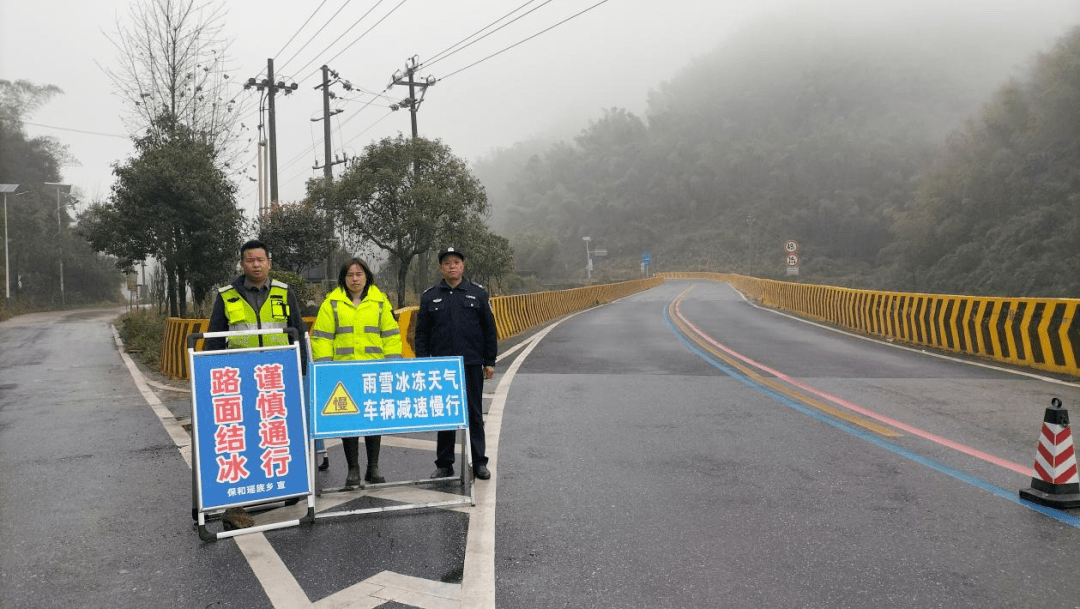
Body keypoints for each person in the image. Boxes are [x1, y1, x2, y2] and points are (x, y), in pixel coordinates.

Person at [205, 239, 308, 529]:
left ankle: (284, 486)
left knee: (278, 432)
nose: (256, 264)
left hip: (277, 378)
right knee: (241, 437)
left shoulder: (283, 293)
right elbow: (214, 339)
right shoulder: (226, 296)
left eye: (261, 259)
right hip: (239, 380)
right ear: (242, 264)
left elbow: (296, 332)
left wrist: (299, 372)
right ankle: (235, 505)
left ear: (269, 262)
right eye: (250, 260)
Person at [310, 257, 402, 488]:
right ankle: (353, 469)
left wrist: (391, 368)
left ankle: (373, 467)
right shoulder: (331, 303)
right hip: (344, 372)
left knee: (373, 419)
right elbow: (321, 338)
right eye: (350, 275)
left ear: (367, 277)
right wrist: (326, 370)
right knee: (348, 421)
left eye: (359, 274)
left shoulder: (380, 302)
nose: (355, 279)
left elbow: (391, 336)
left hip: (374, 371)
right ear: (343, 278)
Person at [413, 246, 498, 481]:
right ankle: (444, 464)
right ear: (441, 267)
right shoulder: (430, 295)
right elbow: (421, 333)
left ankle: (479, 462)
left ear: (463, 266)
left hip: (471, 363)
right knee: (445, 413)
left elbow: (489, 330)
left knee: (473, 414)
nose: (452, 266)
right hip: (441, 366)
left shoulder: (477, 294)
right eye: (447, 262)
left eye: (456, 262)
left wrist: (489, 361)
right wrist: (423, 362)